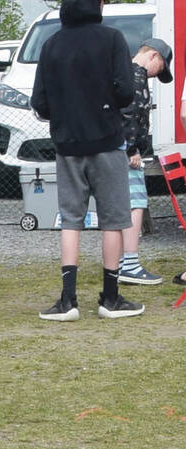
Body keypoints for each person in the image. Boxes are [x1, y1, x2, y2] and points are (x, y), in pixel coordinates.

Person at [31, 0, 142, 320]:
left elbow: (39, 101)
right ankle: (110, 299)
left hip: (67, 144)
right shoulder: (112, 39)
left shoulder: (51, 44)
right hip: (107, 141)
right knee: (114, 219)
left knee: (70, 219)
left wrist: (64, 114)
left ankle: (68, 301)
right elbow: (125, 92)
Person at [118, 38, 171, 286]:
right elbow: (130, 116)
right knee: (135, 203)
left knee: (118, 205)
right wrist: (132, 150)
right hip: (127, 152)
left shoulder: (121, 72)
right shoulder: (137, 78)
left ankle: (119, 262)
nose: (156, 75)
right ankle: (129, 264)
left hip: (111, 148)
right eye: (159, 68)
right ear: (152, 56)